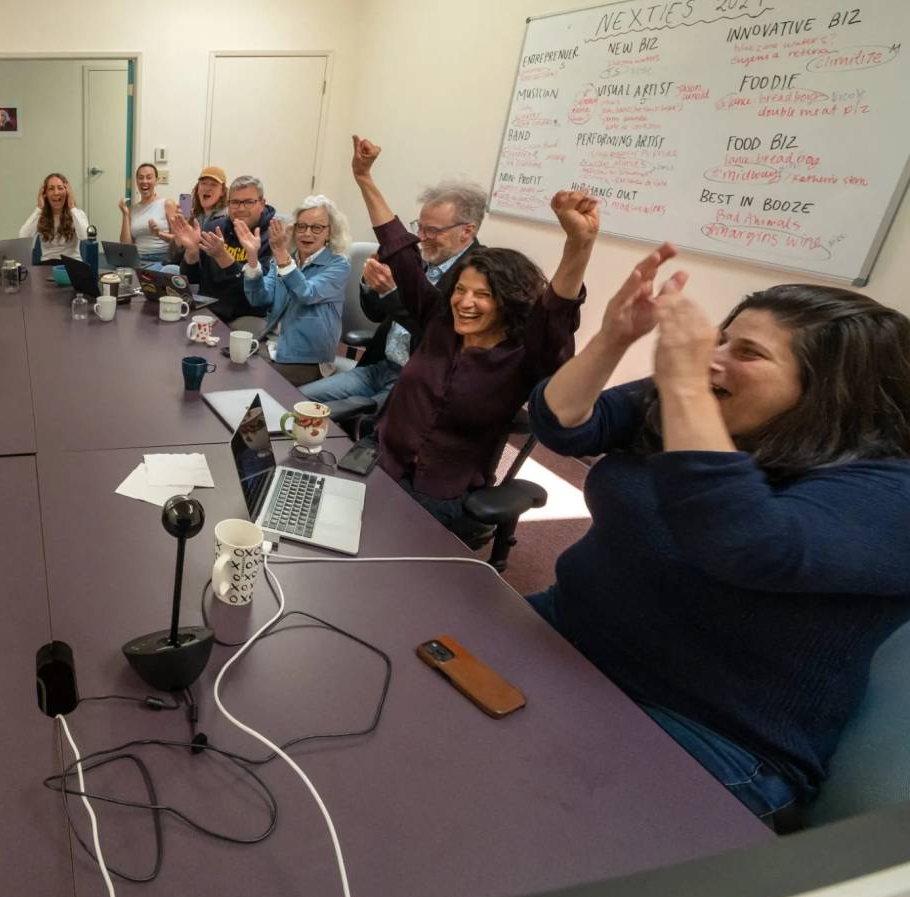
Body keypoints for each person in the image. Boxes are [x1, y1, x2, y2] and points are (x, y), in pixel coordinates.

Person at [526, 245, 910, 826]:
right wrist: (612, 338)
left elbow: (745, 543)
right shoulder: (701, 405)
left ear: (831, 392)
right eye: (721, 339)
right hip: (567, 634)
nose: (714, 359)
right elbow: (562, 424)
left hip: (708, 732)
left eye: (747, 353)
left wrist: (685, 387)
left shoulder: (889, 488)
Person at [350, 136, 596, 541]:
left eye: (482, 295)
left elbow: (557, 313)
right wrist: (364, 177)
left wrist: (578, 245)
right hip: (379, 463)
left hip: (438, 496)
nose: (465, 302)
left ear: (508, 302)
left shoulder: (524, 356)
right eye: (460, 290)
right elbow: (399, 246)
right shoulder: (438, 321)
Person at [301, 182, 486, 412]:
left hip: (417, 382)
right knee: (296, 400)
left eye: (433, 231)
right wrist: (370, 284)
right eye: (419, 227)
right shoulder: (421, 259)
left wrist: (391, 293)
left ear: (467, 231)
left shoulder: (477, 276)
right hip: (379, 367)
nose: (421, 237)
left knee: (334, 422)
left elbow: (437, 332)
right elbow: (375, 314)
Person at [238, 195, 352, 386]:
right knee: (232, 368)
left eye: (317, 227)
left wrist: (281, 254)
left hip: (307, 357)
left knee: (253, 383)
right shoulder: (285, 260)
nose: (307, 233)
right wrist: (252, 255)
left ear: (329, 232)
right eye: (302, 226)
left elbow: (307, 294)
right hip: (272, 346)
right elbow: (259, 298)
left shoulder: (338, 265)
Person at [168, 174, 277, 329]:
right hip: (208, 309)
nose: (241, 209)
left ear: (262, 203)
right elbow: (192, 279)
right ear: (228, 203)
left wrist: (224, 258)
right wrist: (192, 251)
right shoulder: (214, 228)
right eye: (235, 202)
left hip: (245, 314)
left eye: (248, 202)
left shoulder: (271, 237)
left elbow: (258, 296)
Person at [18, 173, 89, 262]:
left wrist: (72, 206)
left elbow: (85, 236)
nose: (56, 193)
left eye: (60, 188)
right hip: (47, 264)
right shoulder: (40, 216)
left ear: (67, 192)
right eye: (51, 189)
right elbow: (23, 236)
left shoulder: (77, 214)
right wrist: (39, 208)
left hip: (73, 264)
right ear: (45, 194)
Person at [117, 163, 171, 265]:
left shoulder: (166, 204)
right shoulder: (132, 210)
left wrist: (159, 233)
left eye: (149, 177)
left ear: (156, 181)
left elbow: (178, 240)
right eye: (140, 178)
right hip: (137, 259)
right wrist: (125, 214)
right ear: (136, 182)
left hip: (161, 258)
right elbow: (125, 245)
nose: (144, 181)